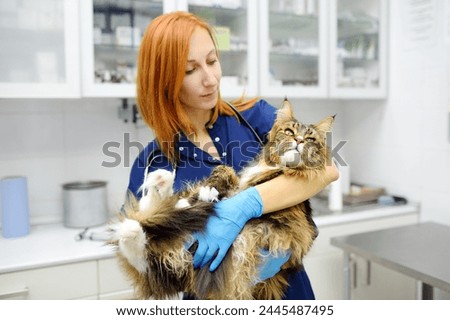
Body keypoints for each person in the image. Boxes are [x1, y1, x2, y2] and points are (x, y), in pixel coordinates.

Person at [127, 11, 339, 299]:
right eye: (190, 70)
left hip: (287, 294)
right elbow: (146, 264)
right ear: (164, 81)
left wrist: (245, 205)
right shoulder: (152, 163)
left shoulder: (255, 118)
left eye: (212, 61)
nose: (210, 79)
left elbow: (326, 170)